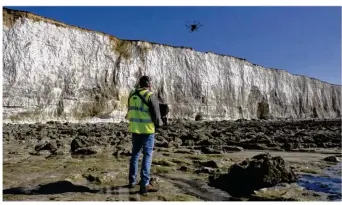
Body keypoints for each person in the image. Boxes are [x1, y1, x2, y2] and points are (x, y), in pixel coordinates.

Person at [126, 75, 163, 195]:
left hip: (135, 129)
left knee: (135, 155)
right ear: (149, 84)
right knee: (147, 156)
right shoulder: (150, 96)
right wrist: (160, 125)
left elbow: (130, 110)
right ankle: (144, 185)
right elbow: (157, 117)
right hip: (147, 131)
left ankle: (132, 181)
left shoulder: (132, 94)